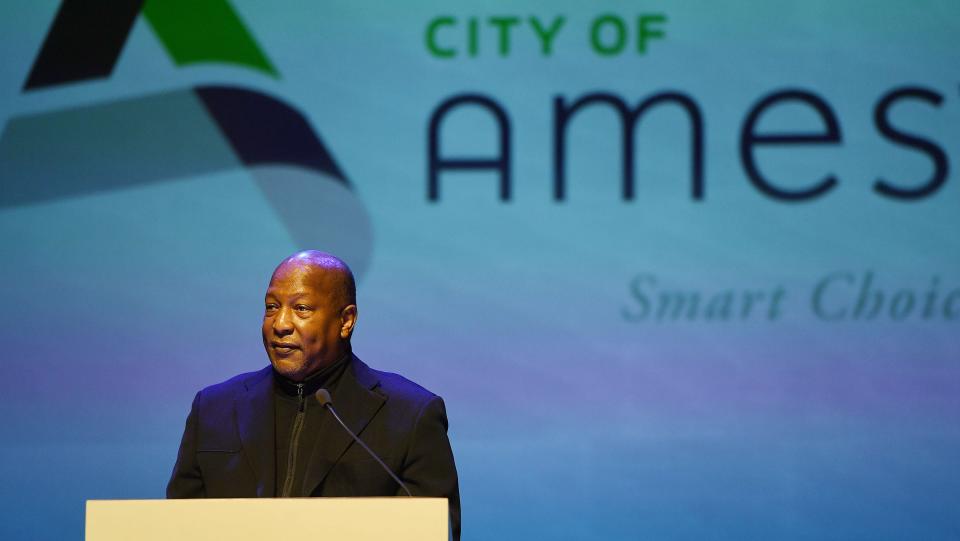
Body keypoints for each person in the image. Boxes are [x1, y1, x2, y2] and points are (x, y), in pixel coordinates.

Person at [167, 250, 460, 540]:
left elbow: (434, 528)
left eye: (301, 308)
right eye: (271, 307)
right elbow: (176, 527)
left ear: (346, 321)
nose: (279, 324)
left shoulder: (410, 415)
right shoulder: (214, 409)